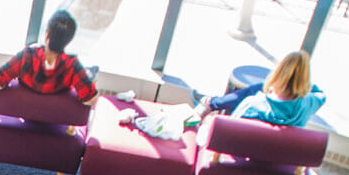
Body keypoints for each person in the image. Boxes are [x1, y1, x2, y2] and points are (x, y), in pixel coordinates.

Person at [124, 50, 325, 139]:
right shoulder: (309, 103)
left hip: (246, 149)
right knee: (258, 87)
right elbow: (320, 93)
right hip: (278, 153)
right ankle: (211, 101)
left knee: (255, 90)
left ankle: (209, 103)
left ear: (279, 72)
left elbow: (229, 131)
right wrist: (299, 79)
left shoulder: (254, 105)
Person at [0, 10, 99, 104]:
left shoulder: (27, 55)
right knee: (91, 75)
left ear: (47, 35)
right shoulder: (72, 65)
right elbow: (89, 100)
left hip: (24, 112)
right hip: (55, 120)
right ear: (68, 41)